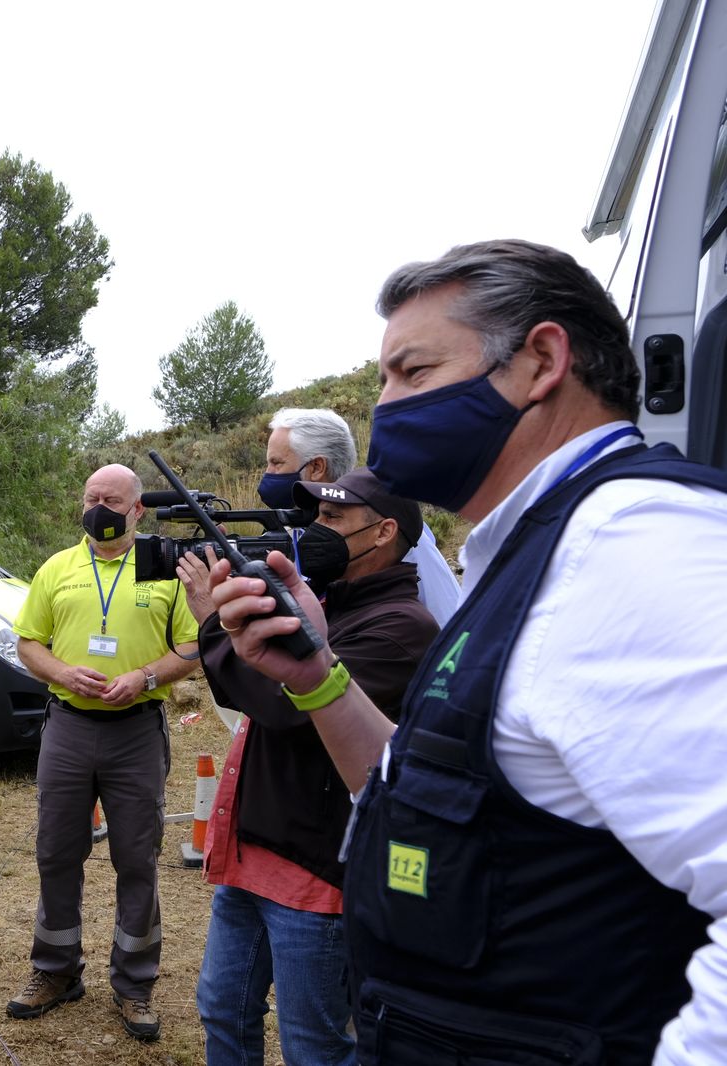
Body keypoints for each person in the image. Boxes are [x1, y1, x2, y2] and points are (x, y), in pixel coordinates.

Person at [207, 239, 727, 1064]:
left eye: (412, 374)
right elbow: (455, 798)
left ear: (541, 361)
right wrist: (316, 677)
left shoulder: (634, 551)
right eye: (382, 379)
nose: (386, 406)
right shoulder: (533, 552)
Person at [179, 468, 438, 1066]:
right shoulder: (319, 601)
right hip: (253, 849)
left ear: (383, 533)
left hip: (318, 873)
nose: (312, 530)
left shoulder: (401, 626)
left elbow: (279, 705)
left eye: (332, 519)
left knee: (314, 1045)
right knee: (222, 1008)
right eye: (312, 517)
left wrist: (213, 623)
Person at [4, 463, 200, 1042]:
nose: (99, 508)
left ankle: (134, 984)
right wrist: (63, 671)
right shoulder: (57, 569)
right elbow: (27, 641)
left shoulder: (164, 571)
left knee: (137, 860)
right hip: (66, 727)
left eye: (111, 499)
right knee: (56, 854)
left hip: (136, 731)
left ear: (138, 509)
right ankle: (55, 971)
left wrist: (143, 677)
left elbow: (193, 645)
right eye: (91, 498)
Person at [263, 407, 461, 626]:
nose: (267, 473)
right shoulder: (289, 530)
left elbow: (448, 614)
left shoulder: (391, 531)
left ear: (317, 467)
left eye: (276, 463)